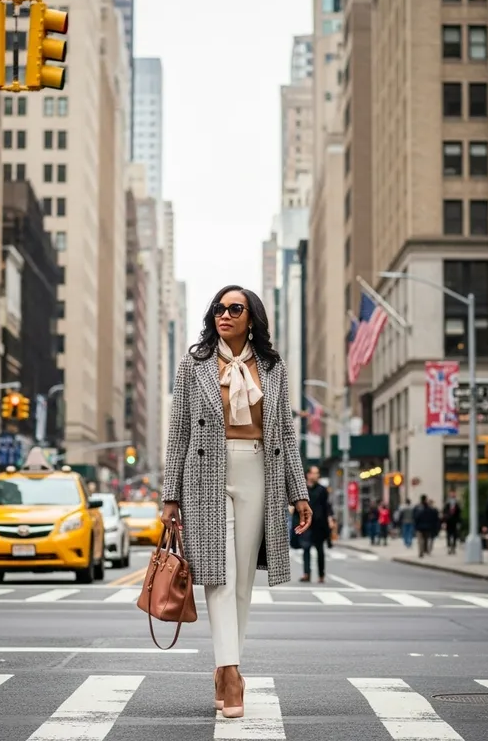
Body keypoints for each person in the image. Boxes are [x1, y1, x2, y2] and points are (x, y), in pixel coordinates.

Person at [161, 285, 313, 720]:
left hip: (258, 472)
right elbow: (179, 433)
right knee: (218, 575)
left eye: (234, 308)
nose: (224, 315)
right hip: (205, 475)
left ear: (251, 318)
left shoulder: (273, 366)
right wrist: (170, 494)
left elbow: (284, 433)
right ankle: (230, 674)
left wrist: (298, 492)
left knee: (243, 581)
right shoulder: (193, 365)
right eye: (218, 308)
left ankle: (226, 669)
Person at [300, 466, 333, 583]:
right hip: (306, 524)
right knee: (306, 548)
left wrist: (330, 519)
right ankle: (306, 573)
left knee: (320, 550)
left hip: (320, 523)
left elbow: (327, 506)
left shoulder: (323, 490)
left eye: (317, 473)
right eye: (314, 473)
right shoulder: (302, 489)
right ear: (308, 475)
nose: (316, 476)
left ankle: (321, 575)